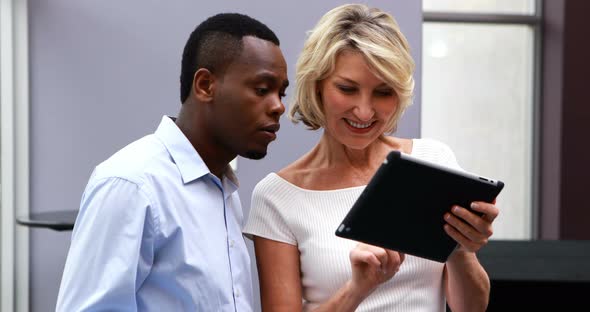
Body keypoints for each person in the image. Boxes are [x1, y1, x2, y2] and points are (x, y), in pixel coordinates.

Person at [244, 4, 499, 312]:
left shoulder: (433, 160)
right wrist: (357, 288)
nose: (364, 111)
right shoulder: (277, 197)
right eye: (347, 89)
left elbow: (471, 308)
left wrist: (458, 245)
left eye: (383, 92)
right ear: (317, 85)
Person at [56, 13, 288, 311]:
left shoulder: (223, 189)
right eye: (262, 89)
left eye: (281, 92)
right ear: (205, 85)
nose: (278, 106)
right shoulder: (132, 184)